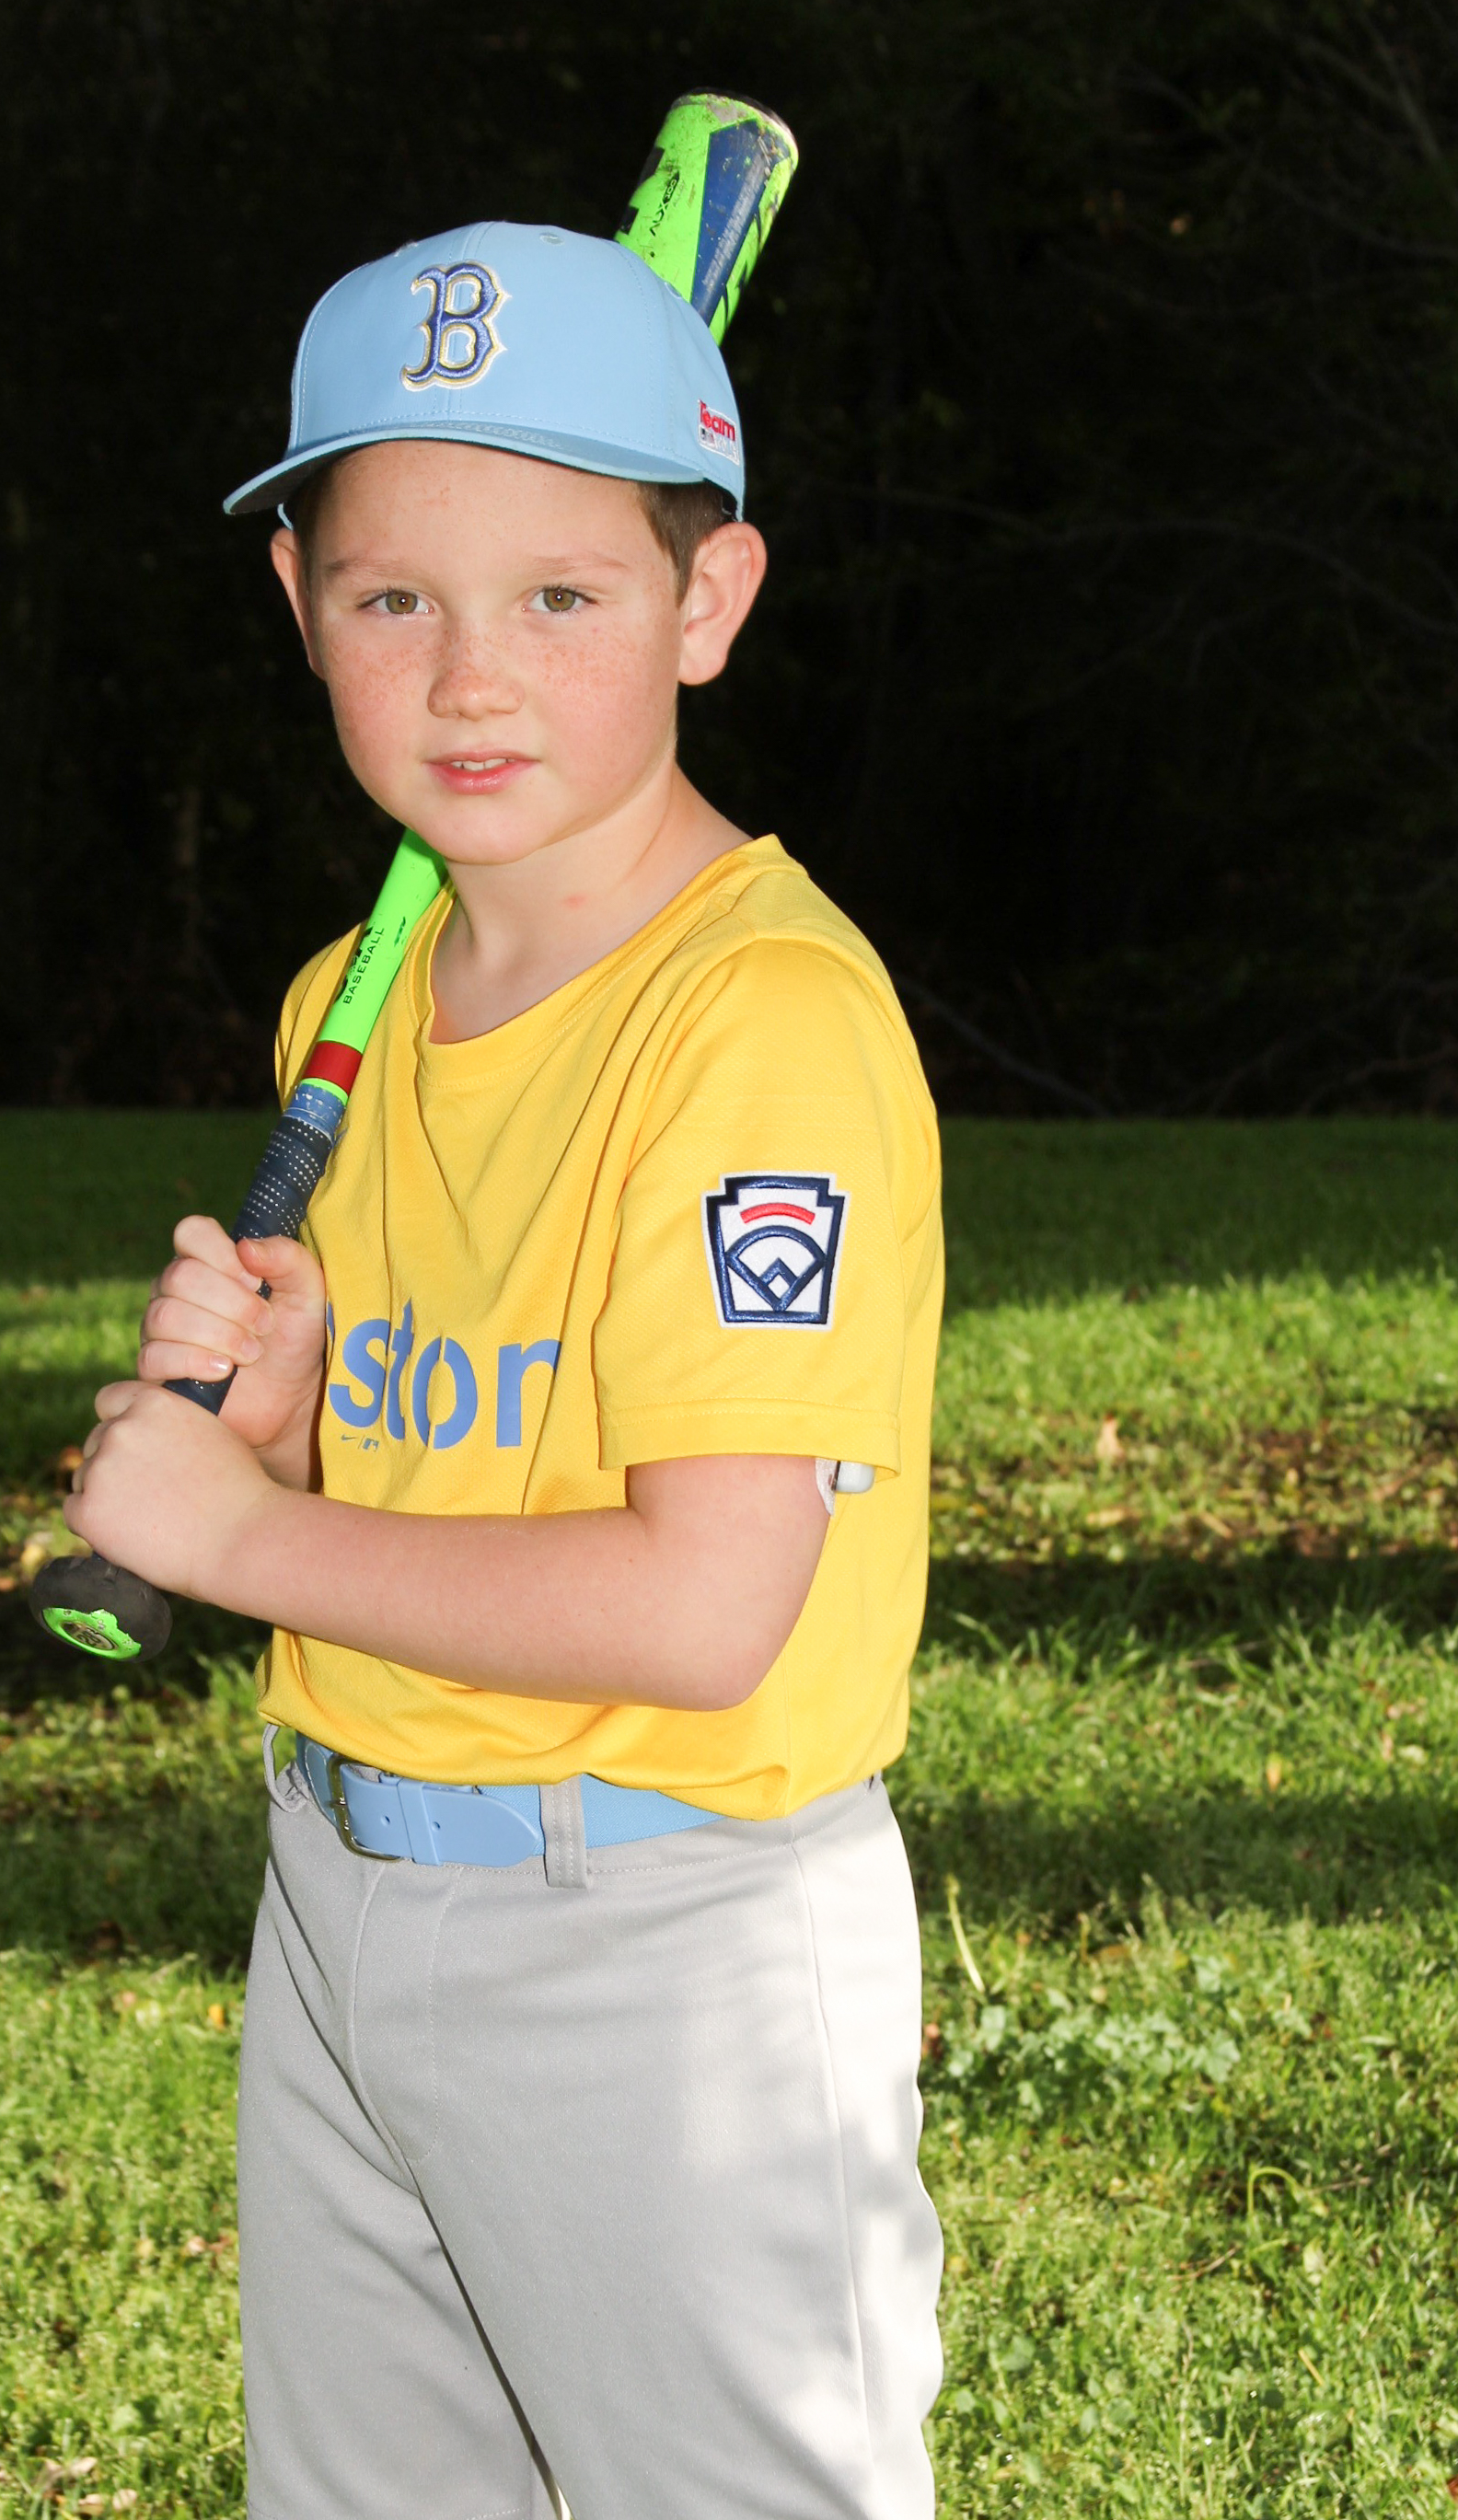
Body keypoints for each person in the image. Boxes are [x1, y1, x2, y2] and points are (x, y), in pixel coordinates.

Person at [64, 220, 944, 2520]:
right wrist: (290, 1437)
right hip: (343, 1876)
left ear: (706, 602)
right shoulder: (349, 1005)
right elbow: (443, 1501)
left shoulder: (756, 1024)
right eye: (393, 599)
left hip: (664, 1937)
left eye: (560, 594)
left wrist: (240, 1537)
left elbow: (698, 1602)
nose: (471, 678)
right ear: (299, 607)